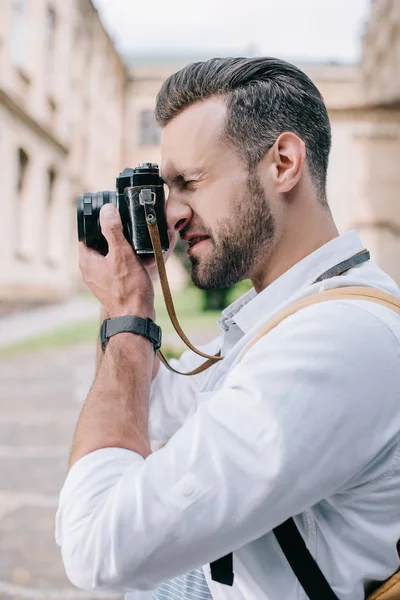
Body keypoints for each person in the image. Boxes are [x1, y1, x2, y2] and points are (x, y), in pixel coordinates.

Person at [55, 58, 400, 600]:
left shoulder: (335, 342)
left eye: (189, 182)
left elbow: (96, 543)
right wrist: (127, 296)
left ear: (283, 163)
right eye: (164, 191)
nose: (172, 215)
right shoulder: (290, 314)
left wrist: (128, 312)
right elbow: (147, 405)